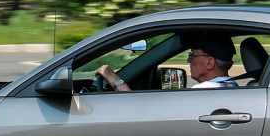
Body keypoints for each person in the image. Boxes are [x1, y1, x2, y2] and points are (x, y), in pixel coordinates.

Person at [97, 32, 238, 91]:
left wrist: (109, 74)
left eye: (192, 56)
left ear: (209, 63)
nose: (189, 60)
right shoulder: (232, 85)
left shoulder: (204, 92)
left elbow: (140, 113)